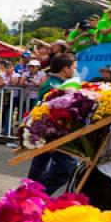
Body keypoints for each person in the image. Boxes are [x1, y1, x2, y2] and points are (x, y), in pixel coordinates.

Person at [28, 54, 79, 193]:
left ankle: (27, 196)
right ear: (65, 68)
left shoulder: (55, 83)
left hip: (47, 132)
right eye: (74, 67)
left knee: (39, 167)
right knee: (66, 167)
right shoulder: (54, 86)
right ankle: (36, 195)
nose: (75, 70)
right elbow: (48, 111)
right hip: (51, 132)